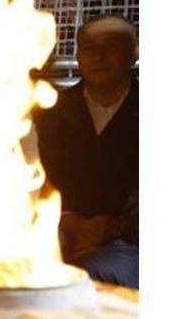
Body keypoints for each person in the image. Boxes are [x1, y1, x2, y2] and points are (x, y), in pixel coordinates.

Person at [34, 15, 138, 288]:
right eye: (89, 47)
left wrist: (116, 225)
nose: (99, 56)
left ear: (134, 53)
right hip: (56, 230)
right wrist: (68, 220)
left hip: (128, 243)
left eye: (111, 46)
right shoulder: (51, 111)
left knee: (95, 274)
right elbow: (33, 176)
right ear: (78, 55)